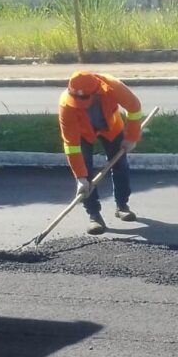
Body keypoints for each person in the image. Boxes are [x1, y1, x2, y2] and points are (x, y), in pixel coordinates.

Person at [59, 71, 144, 235]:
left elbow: (134, 107)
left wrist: (132, 137)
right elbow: (71, 145)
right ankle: (94, 215)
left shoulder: (113, 86)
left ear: (97, 92)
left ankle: (122, 206)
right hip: (83, 134)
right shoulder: (66, 105)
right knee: (87, 174)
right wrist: (80, 177)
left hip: (111, 128)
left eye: (83, 99)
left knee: (120, 165)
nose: (78, 102)